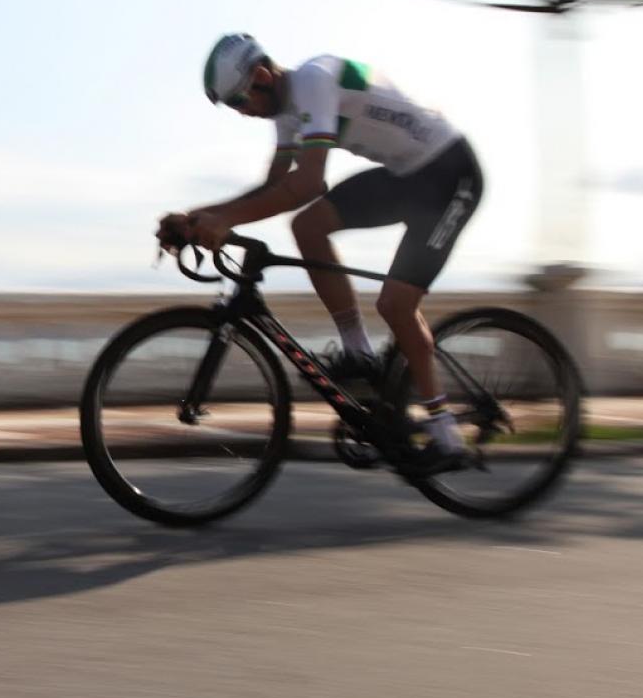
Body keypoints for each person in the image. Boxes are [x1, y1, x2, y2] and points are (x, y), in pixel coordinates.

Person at [158, 32, 484, 469]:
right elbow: (274, 186)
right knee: (308, 226)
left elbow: (309, 183)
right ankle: (359, 353)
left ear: (260, 76)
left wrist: (227, 219)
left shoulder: (313, 82)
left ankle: (447, 437)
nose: (242, 113)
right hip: (407, 177)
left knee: (396, 304)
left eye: (239, 102)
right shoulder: (286, 112)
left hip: (450, 175)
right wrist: (197, 216)